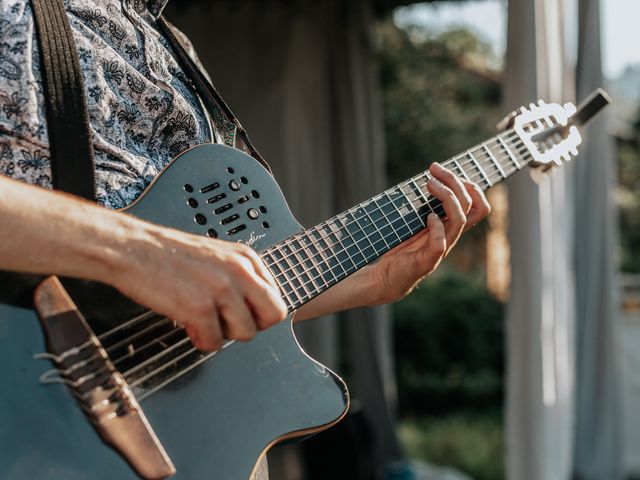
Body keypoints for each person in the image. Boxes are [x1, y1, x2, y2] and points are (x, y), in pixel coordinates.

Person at [0, 0, 489, 476]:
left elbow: (182, 313)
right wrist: (139, 251)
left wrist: (371, 282)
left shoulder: (169, 45)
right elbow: (156, 263)